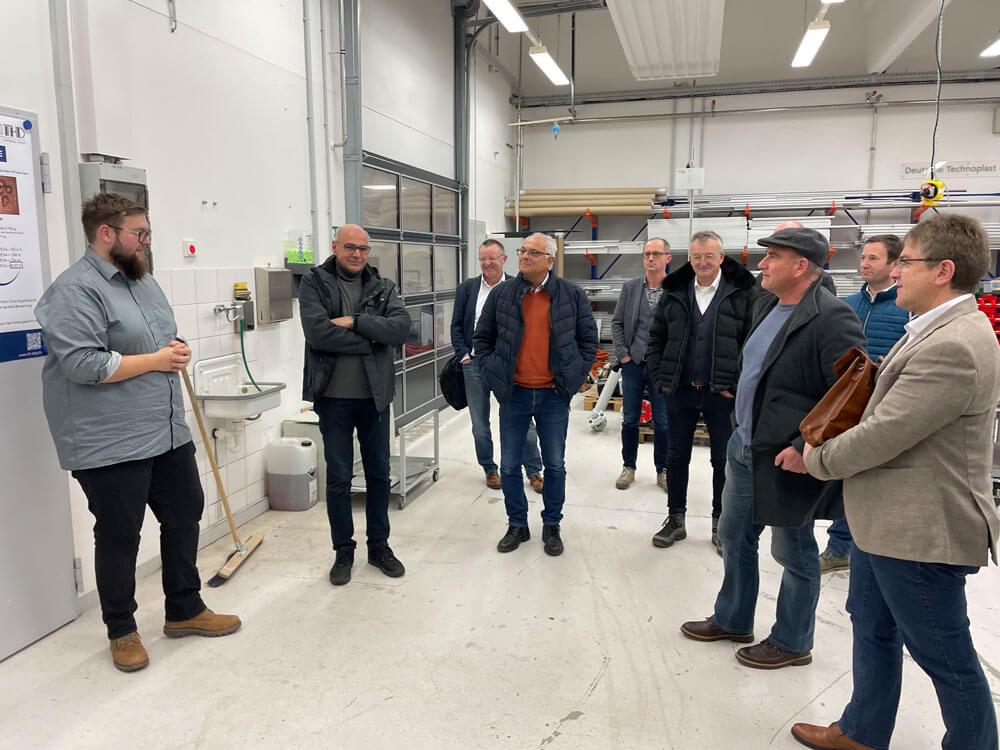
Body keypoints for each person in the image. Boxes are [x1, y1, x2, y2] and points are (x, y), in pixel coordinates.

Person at [796, 215, 999, 750]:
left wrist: (816, 458)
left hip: (920, 530)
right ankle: (862, 731)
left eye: (905, 262)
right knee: (871, 625)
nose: (895, 272)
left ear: (943, 271)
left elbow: (884, 435)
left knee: (944, 654)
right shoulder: (932, 329)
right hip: (882, 522)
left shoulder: (955, 344)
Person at [35, 193, 240, 673]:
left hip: (162, 428)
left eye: (148, 233)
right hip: (108, 438)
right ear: (106, 233)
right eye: (140, 234)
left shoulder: (143, 282)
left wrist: (176, 349)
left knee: (184, 512)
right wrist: (157, 360)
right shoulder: (74, 290)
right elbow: (84, 364)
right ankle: (121, 630)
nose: (146, 242)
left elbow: (159, 340)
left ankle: (184, 608)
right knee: (120, 533)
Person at [679, 227, 864, 670]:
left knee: (792, 551)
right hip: (745, 444)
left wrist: (805, 445)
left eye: (773, 257)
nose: (761, 264)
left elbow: (851, 392)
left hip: (787, 458)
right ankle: (733, 619)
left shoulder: (831, 316)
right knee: (734, 535)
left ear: (800, 266)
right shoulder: (766, 304)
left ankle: (793, 641)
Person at [299, 224, 411, 586]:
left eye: (363, 248)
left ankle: (379, 546)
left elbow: (400, 329)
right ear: (335, 247)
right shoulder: (315, 283)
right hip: (332, 397)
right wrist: (372, 341)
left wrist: (355, 321)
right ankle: (343, 551)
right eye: (350, 247)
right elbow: (317, 333)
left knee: (379, 474)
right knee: (339, 478)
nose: (357, 254)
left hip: (374, 397)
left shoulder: (383, 286)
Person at [473, 232, 598, 556]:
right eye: (523, 251)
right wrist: (493, 373)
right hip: (513, 393)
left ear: (550, 260)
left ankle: (552, 525)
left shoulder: (570, 294)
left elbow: (588, 341)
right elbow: (482, 338)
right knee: (509, 466)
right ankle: (517, 524)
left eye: (533, 252)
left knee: (554, 465)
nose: (525, 256)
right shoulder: (503, 294)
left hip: (552, 395)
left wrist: (573, 378)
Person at [646, 230, 756, 554]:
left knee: (723, 460)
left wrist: (735, 385)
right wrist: (661, 378)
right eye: (696, 256)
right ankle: (675, 519)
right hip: (680, 391)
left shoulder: (741, 293)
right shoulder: (675, 292)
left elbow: (751, 343)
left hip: (721, 394)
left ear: (721, 257)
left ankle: (720, 523)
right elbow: (656, 338)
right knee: (676, 457)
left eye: (709, 256)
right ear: (689, 258)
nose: (703, 262)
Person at [818, 234, 908, 574]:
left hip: (884, 407)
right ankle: (839, 547)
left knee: (875, 480)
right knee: (845, 476)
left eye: (873, 258)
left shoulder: (907, 308)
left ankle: (870, 550)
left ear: (894, 264)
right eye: (863, 257)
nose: (864, 264)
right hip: (846, 403)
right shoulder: (847, 304)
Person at [450, 239, 543, 493]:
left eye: (492, 258)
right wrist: (464, 355)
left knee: (523, 420)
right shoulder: (467, 289)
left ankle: (533, 470)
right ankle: (490, 469)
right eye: (483, 258)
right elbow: (456, 325)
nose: (487, 263)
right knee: (480, 424)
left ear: (504, 259)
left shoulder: (519, 287)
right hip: (474, 365)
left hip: (508, 366)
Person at [610, 237, 671, 493]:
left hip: (662, 368)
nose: (651, 258)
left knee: (663, 422)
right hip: (633, 364)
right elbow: (617, 323)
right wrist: (623, 355)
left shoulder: (676, 289)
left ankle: (663, 470)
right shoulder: (631, 287)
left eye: (656, 253)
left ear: (667, 258)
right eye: (647, 254)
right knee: (630, 420)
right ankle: (628, 467)